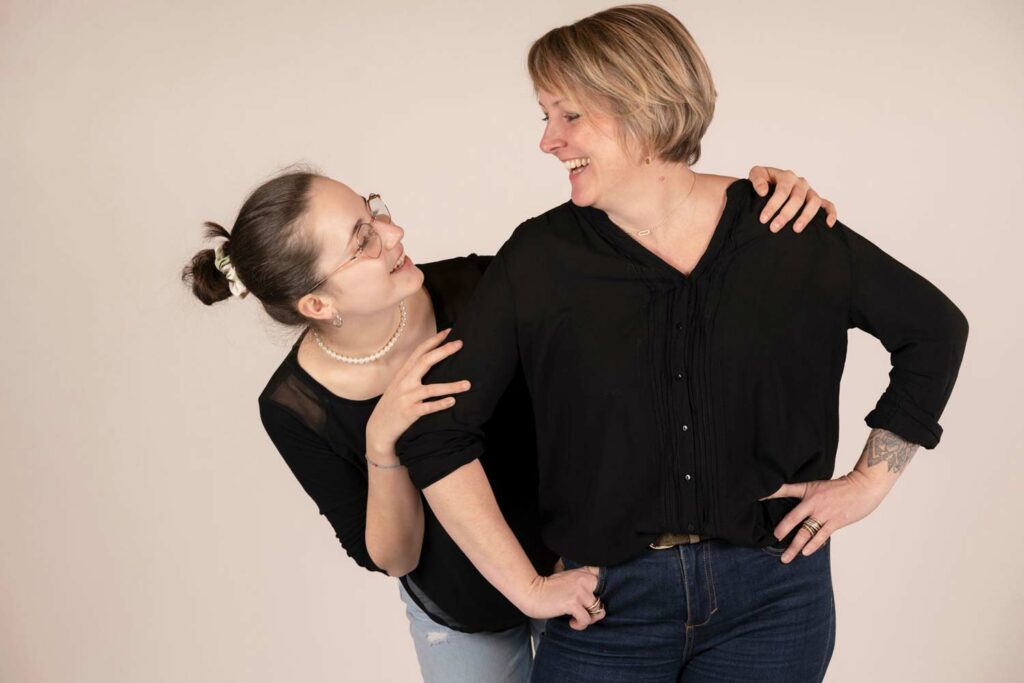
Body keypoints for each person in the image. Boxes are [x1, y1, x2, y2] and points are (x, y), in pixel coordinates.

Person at [397, 5, 969, 682]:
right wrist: (526, 587)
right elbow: (437, 432)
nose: (548, 141)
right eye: (545, 116)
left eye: (569, 115)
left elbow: (934, 331)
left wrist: (869, 483)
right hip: (605, 609)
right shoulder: (540, 258)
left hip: (776, 598)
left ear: (643, 108)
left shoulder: (786, 228)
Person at [182, 162, 837, 681]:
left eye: (372, 210)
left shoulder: (477, 287)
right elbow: (393, 555)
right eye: (363, 241)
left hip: (589, 577)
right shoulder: (293, 405)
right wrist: (384, 440)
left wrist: (749, 204)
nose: (395, 234)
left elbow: (631, 287)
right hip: (465, 614)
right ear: (317, 301)